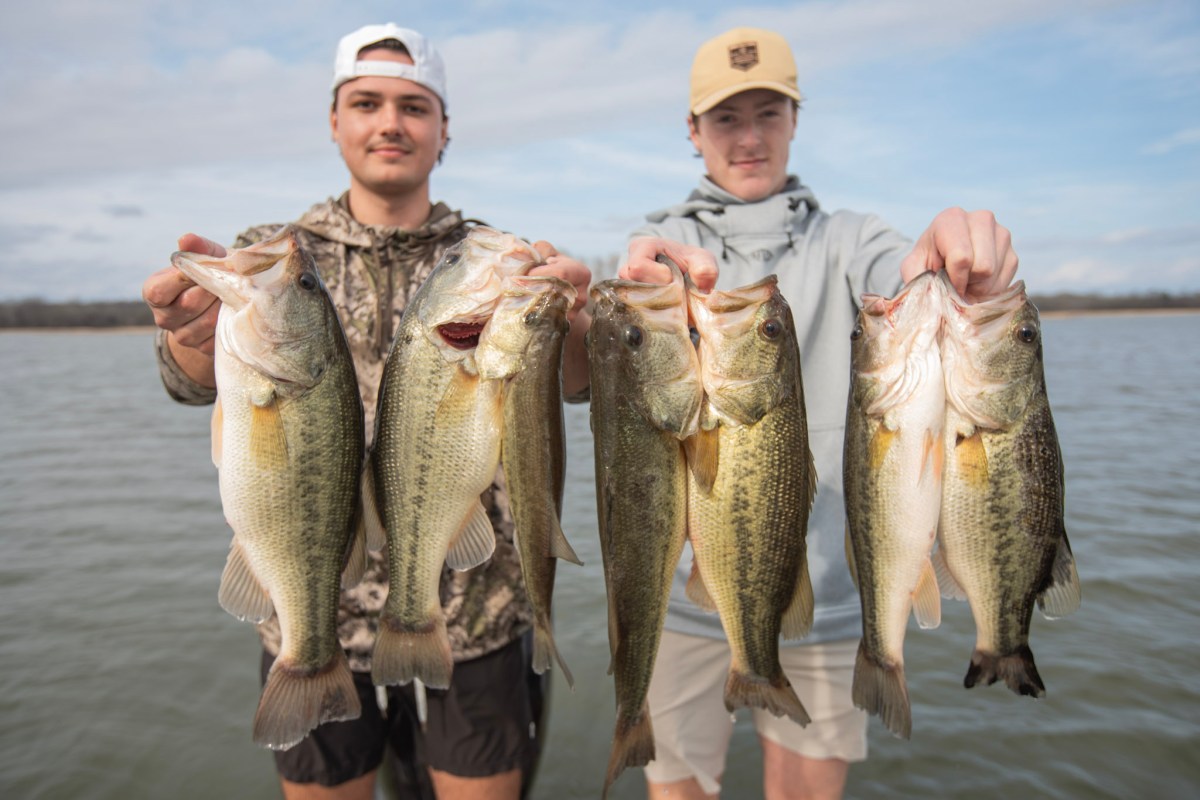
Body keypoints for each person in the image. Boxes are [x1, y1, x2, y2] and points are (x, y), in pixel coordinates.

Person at [142, 24, 590, 800]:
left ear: (444, 129)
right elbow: (189, 384)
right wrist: (192, 337)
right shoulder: (276, 254)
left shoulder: (493, 257)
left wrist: (569, 322)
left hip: (478, 614)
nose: (391, 123)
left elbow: (575, 385)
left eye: (415, 106)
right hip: (313, 618)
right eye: (368, 102)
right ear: (335, 120)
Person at [612, 27, 1019, 800]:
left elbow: (902, 274)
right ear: (693, 133)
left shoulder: (852, 238)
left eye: (768, 113)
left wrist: (945, 262)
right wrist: (639, 301)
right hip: (683, 600)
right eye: (726, 119)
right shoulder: (663, 246)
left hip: (832, 597)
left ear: (795, 119)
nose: (750, 137)